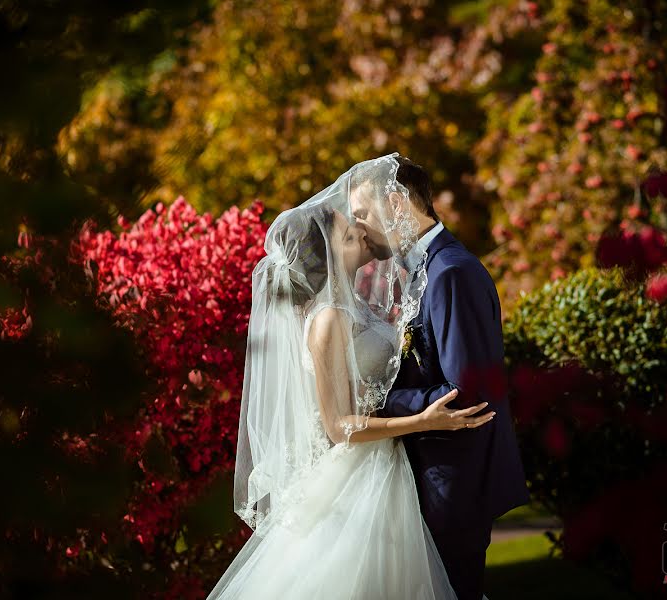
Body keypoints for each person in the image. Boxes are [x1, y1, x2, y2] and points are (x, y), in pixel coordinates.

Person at [207, 153, 494, 600]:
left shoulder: (359, 306)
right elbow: (338, 425)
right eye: (349, 229)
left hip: (388, 463)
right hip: (362, 472)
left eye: (359, 217)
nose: (360, 229)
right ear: (328, 253)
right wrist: (421, 419)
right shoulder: (329, 319)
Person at [350, 155, 531, 600]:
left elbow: (465, 392)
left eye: (362, 214)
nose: (358, 228)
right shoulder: (419, 271)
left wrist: (379, 400)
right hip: (432, 474)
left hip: (454, 480)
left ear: (395, 204)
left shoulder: (451, 273)